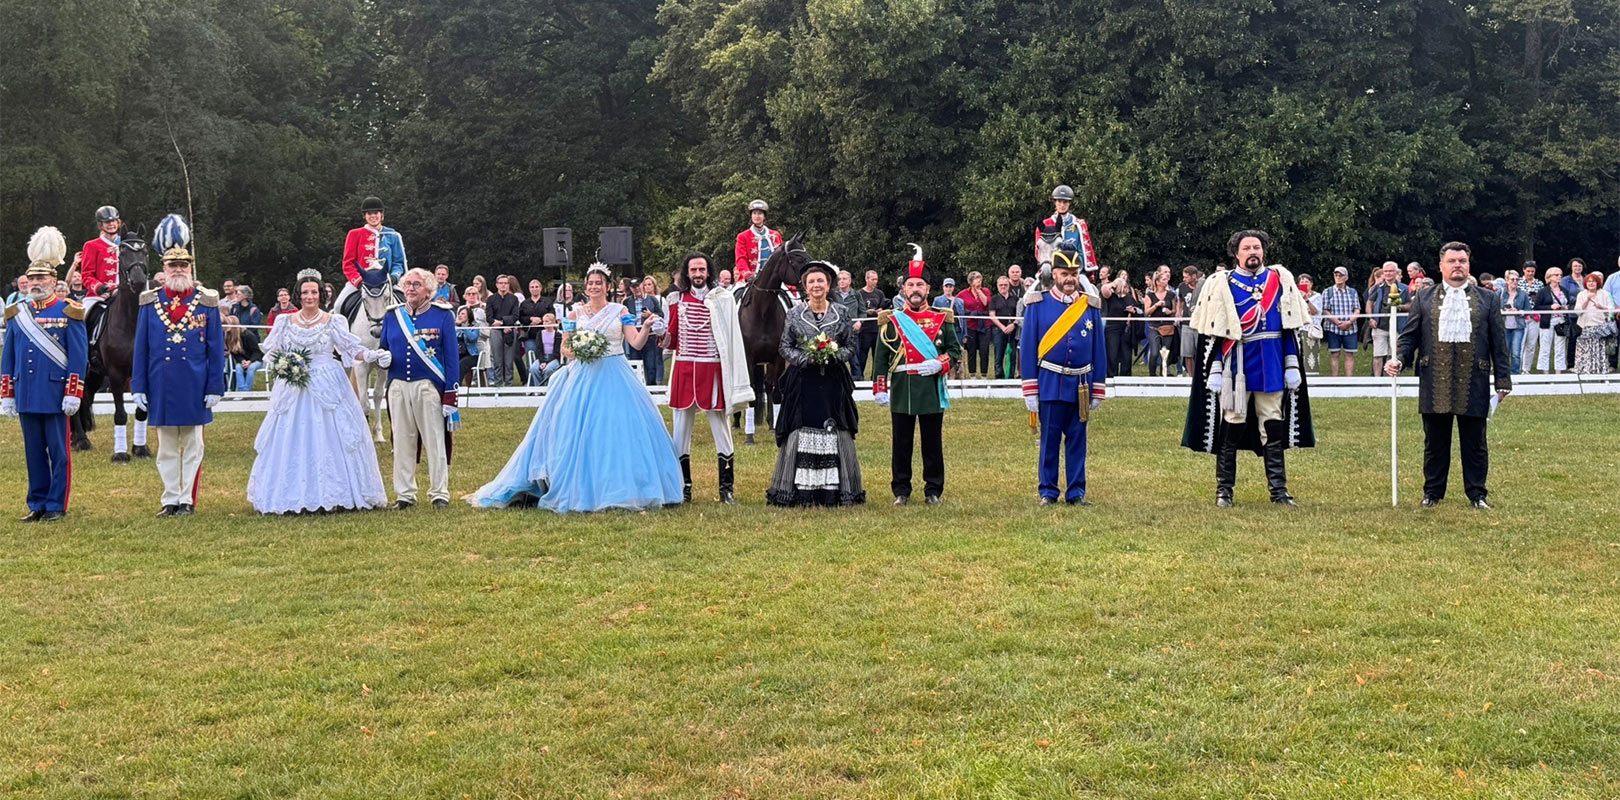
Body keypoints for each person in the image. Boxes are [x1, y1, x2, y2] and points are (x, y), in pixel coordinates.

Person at [467, 262, 683, 513]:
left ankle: (623, 484)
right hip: (583, 373)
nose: (593, 287)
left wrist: (645, 327)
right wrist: (582, 349)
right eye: (590, 283)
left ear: (607, 286)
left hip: (615, 372)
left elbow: (634, 342)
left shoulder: (620, 310)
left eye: (598, 283)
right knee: (578, 430)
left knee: (619, 429)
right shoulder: (574, 315)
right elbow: (564, 348)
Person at [1183, 229, 1315, 508]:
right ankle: (1224, 491)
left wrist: (1291, 362)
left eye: (1257, 247)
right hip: (1237, 366)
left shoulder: (1279, 279)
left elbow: (1289, 326)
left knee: (1273, 427)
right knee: (1231, 426)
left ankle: (1279, 491)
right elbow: (1215, 330)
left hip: (1272, 364)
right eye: (1247, 248)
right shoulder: (1223, 283)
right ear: (1236, 253)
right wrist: (1217, 366)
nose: (1253, 252)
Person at [246, 269, 391, 513]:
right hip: (294, 386)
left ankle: (336, 493)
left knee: (333, 437)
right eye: (305, 292)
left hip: (329, 383)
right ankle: (291, 494)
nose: (310, 296)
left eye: (314, 292)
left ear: (320, 294)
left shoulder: (334, 320)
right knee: (291, 436)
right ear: (298, 295)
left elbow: (349, 349)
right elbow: (272, 351)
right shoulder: (284, 322)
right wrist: (284, 364)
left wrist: (372, 354)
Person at [1386, 242, 1511, 509]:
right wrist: (1398, 359)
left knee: (1475, 443)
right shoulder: (1424, 297)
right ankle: (1432, 493)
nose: (1458, 265)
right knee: (1434, 443)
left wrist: (1503, 381)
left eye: (1463, 261)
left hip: (1474, 380)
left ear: (1469, 265)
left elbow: (1499, 344)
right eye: (1452, 261)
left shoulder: (1489, 299)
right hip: (1434, 381)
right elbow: (1410, 338)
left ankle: (1477, 494)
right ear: (1441, 265)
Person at [132, 215, 225, 518]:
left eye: (183, 265)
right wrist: (138, 386)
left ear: (190, 268)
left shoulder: (207, 302)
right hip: (162, 383)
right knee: (166, 448)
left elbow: (215, 349)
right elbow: (142, 349)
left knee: (194, 445)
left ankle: (187, 499)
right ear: (164, 269)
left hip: (195, 385)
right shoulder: (149, 302)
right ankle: (170, 498)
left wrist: (215, 387)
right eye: (173, 266)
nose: (178, 270)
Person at [2, 227, 87, 522]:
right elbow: (8, 358)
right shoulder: (16, 313)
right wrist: (7, 395)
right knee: (33, 452)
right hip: (25, 392)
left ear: (53, 280)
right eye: (33, 278)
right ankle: (37, 503)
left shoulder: (70, 311)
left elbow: (79, 357)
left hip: (55, 393)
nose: (36, 283)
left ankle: (55, 505)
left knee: (59, 454)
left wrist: (73, 392)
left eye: (42, 278)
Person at [766, 260, 864, 506]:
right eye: (812, 282)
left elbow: (851, 346)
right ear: (805, 286)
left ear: (828, 284)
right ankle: (800, 490)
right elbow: (785, 347)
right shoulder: (794, 314)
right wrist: (805, 358)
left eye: (821, 281)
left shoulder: (841, 312)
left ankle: (836, 490)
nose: (816, 285)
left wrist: (833, 356)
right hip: (803, 381)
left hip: (833, 382)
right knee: (801, 426)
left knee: (835, 427)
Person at [872, 246, 962, 505]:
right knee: (901, 443)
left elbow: (954, 350)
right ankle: (901, 491)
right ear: (903, 289)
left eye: (919, 284)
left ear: (927, 289)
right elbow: (880, 358)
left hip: (931, 387)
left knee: (932, 443)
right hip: (903, 385)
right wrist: (880, 387)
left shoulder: (941, 318)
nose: (915, 289)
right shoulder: (892, 320)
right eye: (910, 284)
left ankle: (933, 490)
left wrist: (940, 364)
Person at [1020, 243, 1108, 505]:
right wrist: (1030, 388)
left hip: (1081, 383)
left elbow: (1099, 351)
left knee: (1078, 440)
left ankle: (1076, 492)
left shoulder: (1090, 307)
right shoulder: (1037, 305)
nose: (1069, 278)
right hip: (1049, 382)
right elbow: (1027, 350)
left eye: (1074, 273)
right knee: (1049, 440)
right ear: (1054, 275)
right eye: (1064, 273)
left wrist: (1099, 387)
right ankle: (1048, 491)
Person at [663, 252, 753, 503]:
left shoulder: (723, 299)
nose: (698, 274)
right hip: (683, 370)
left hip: (712, 370)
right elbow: (671, 338)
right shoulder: (676, 299)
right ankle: (684, 488)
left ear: (708, 272)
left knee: (721, 429)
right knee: (680, 431)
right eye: (693, 270)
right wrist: (658, 330)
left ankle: (726, 490)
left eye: (701, 270)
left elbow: (731, 337)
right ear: (686, 273)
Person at [378, 268, 458, 509]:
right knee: (402, 441)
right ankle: (404, 494)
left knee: (435, 440)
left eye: (416, 284)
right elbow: (384, 346)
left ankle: (439, 493)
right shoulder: (393, 316)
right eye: (408, 284)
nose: (411, 288)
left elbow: (452, 357)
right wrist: (383, 358)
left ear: (429, 291)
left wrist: (450, 395)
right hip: (398, 385)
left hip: (428, 385)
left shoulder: (442, 315)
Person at [336, 196, 407, 314]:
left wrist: (394, 277)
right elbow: (348, 263)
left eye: (376, 213)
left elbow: (398, 262)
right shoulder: (354, 234)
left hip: (387, 281)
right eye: (369, 213)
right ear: (365, 216)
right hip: (362, 281)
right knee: (338, 305)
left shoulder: (393, 234)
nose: (373, 216)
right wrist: (359, 281)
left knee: (410, 304)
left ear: (382, 215)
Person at [1367, 262, 1412, 376]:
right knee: (1378, 355)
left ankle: (1392, 379)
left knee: (1395, 356)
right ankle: (1377, 382)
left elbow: (1411, 305)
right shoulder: (1377, 288)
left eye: (1391, 271)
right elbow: (1369, 303)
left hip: (1398, 327)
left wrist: (1399, 307)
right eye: (1385, 271)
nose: (1388, 273)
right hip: (1380, 326)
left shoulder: (1404, 288)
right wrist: (1370, 318)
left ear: (1396, 272)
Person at [1319, 266, 1360, 376]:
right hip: (1333, 328)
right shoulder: (1328, 292)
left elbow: (1357, 309)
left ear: (1346, 277)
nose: (1337, 277)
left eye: (1340, 275)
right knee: (1335, 353)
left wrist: (1349, 322)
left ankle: (1349, 381)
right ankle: (1334, 380)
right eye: (1336, 275)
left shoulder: (1352, 292)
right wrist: (1338, 322)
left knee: (1350, 354)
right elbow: (1324, 310)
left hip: (1351, 328)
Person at [1573, 271, 1615, 374]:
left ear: (1598, 283)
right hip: (1585, 327)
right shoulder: (1581, 294)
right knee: (1585, 350)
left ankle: (1600, 370)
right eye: (1589, 281)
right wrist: (1586, 301)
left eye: (1593, 281)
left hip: (1600, 327)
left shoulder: (1605, 294)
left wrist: (1601, 307)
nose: (1591, 283)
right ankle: (1584, 371)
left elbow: (1611, 310)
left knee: (1600, 350)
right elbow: (1577, 311)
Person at [1100, 268, 1141, 377]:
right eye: (1122, 286)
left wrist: (1133, 310)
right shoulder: (1111, 297)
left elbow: (1139, 310)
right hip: (1112, 328)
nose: (1125, 288)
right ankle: (1111, 376)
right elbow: (1104, 290)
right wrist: (1114, 283)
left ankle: (1125, 377)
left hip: (1126, 329)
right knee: (1112, 354)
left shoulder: (1129, 298)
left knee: (1126, 355)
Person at [1531, 265, 1570, 373]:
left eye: (1560, 275)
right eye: (1556, 275)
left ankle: (1559, 371)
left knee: (1560, 347)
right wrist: (1550, 307)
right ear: (1550, 276)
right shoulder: (1543, 291)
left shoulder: (1564, 290)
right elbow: (1537, 307)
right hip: (1547, 321)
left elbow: (1569, 303)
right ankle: (1545, 372)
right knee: (1545, 347)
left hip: (1561, 321)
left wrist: (1565, 308)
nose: (1559, 277)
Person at [734, 199, 782, 286]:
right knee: (735, 295)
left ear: (764, 216)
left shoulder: (775, 235)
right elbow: (741, 258)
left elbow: (782, 257)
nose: (757, 216)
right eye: (754, 213)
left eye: (760, 213)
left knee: (793, 298)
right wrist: (747, 275)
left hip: (774, 278)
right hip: (751, 279)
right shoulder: (742, 236)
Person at [78, 205, 122, 298]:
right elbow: (86, 275)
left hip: (123, 295)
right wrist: (98, 287)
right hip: (99, 295)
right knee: (86, 312)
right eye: (107, 222)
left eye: (113, 221)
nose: (111, 224)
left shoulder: (125, 245)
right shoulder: (91, 245)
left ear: (118, 223)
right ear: (101, 225)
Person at [1142, 267, 1178, 376]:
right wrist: (1156, 305)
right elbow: (1147, 312)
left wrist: (1170, 312)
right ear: (1157, 282)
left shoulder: (1171, 294)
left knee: (1166, 353)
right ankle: (1152, 375)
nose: (1166, 281)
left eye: (1167, 279)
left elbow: (1175, 310)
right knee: (1154, 353)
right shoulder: (1150, 295)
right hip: (1154, 326)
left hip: (1167, 326)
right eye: (1163, 280)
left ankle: (1164, 374)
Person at [855, 269, 887, 379]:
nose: (875, 282)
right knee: (862, 356)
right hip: (865, 330)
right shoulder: (859, 294)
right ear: (866, 279)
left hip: (877, 329)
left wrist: (879, 311)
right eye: (872, 279)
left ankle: (875, 378)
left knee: (877, 356)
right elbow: (858, 309)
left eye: (876, 279)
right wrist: (866, 312)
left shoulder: (879, 293)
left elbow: (883, 306)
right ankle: (860, 378)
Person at [959, 271, 993, 378]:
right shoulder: (963, 294)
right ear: (971, 282)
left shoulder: (986, 291)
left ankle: (984, 375)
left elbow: (986, 303)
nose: (979, 281)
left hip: (984, 325)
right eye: (977, 279)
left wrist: (979, 291)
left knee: (984, 351)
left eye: (980, 278)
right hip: (970, 325)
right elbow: (959, 306)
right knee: (971, 351)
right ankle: (972, 375)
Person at [932, 277, 967, 377]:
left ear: (953, 288)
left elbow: (963, 318)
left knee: (959, 352)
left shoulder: (960, 301)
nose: (948, 289)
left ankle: (959, 375)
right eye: (946, 286)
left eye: (950, 286)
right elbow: (934, 315)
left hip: (958, 330)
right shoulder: (938, 300)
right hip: (944, 330)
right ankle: (946, 373)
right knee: (946, 351)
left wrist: (965, 334)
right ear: (943, 287)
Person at [1498, 270, 1532, 374]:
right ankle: (1504, 373)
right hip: (1504, 326)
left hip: (1518, 326)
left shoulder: (1523, 294)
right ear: (1507, 281)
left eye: (1517, 279)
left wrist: (1519, 312)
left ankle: (1515, 373)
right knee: (1505, 351)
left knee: (1516, 352)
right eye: (1512, 279)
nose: (1515, 281)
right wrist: (1504, 311)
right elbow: (1494, 308)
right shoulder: (1501, 293)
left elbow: (1528, 310)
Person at [635, 276, 666, 385]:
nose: (647, 287)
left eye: (649, 284)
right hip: (635, 333)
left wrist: (651, 315)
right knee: (636, 361)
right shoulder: (628, 301)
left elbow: (662, 315)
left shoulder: (655, 299)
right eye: (645, 284)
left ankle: (655, 383)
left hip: (652, 333)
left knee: (653, 361)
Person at [989, 275, 1021, 379]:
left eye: (1005, 285)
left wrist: (1013, 325)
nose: (1003, 286)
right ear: (997, 286)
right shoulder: (994, 299)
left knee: (1012, 355)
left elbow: (1019, 314)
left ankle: (1011, 376)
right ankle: (999, 377)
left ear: (1009, 286)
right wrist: (1002, 327)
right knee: (999, 354)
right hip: (998, 329)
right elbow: (992, 315)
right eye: (1001, 285)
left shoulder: (1015, 299)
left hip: (1013, 329)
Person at [223, 315, 264, 392]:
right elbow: (235, 354)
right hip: (243, 360)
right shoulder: (229, 337)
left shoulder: (248, 335)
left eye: (227, 323)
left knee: (251, 368)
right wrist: (242, 361)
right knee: (238, 368)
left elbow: (256, 352)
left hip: (256, 360)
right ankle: (242, 391)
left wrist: (250, 361)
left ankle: (245, 392)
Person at [1296, 273, 1323, 374]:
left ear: (1311, 284)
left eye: (1306, 282)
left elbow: (1314, 311)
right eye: (1302, 282)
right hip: (1298, 329)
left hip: (1311, 330)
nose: (1304, 284)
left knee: (1311, 356)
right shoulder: (1295, 296)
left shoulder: (1317, 296)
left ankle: (1312, 378)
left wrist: (1306, 299)